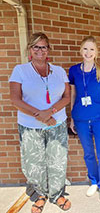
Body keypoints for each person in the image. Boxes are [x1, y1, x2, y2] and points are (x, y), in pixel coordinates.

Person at [9, 32, 71, 213]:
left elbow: (67, 97)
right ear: (30, 49)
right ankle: (39, 195)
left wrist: (50, 113)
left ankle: (57, 194)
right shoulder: (20, 70)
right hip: (30, 126)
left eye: (43, 47)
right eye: (36, 46)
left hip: (56, 123)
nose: (40, 50)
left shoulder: (58, 71)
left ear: (48, 50)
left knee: (57, 160)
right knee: (33, 162)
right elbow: (15, 99)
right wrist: (40, 115)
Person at [69, 36, 100, 202]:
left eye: (92, 49)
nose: (88, 53)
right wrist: (72, 118)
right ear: (81, 50)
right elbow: (73, 94)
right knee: (88, 153)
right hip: (80, 118)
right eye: (85, 49)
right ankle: (93, 181)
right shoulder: (74, 70)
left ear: (96, 52)